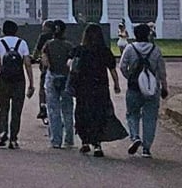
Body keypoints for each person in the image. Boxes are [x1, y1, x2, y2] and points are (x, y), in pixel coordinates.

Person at [69, 23, 128, 156]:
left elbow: (71, 66)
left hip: (83, 87)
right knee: (99, 113)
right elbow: (112, 69)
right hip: (100, 87)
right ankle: (97, 144)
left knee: (82, 112)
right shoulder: (104, 50)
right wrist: (116, 84)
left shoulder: (80, 50)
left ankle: (84, 141)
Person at [120, 22, 169, 159]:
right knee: (150, 118)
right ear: (148, 34)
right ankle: (146, 148)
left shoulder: (130, 49)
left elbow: (123, 66)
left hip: (134, 87)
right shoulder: (155, 50)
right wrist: (164, 87)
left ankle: (135, 137)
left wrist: (129, 77)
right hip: (152, 87)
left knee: (132, 114)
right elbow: (162, 71)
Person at [0, 20, 33, 149]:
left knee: (3, 108)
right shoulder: (22, 43)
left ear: (3, 30)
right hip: (19, 79)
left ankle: (3, 132)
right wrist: (31, 83)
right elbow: (27, 64)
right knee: (17, 110)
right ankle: (13, 138)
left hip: (4, 79)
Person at [39, 19, 75, 149]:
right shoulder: (69, 45)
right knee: (68, 109)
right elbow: (72, 63)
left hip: (52, 77)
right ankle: (69, 138)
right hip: (66, 78)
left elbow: (45, 61)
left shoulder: (48, 45)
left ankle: (56, 140)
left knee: (53, 110)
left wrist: (48, 68)